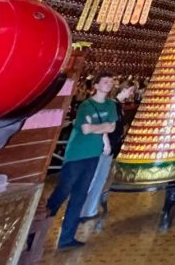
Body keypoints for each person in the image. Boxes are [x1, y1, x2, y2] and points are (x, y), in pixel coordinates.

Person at [46, 71, 118, 250]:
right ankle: (36, 232)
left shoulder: (111, 105)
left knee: (79, 196)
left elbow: (112, 126)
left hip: (93, 155)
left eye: (111, 82)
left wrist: (98, 129)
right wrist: (102, 128)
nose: (108, 84)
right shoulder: (86, 105)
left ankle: (66, 238)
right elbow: (86, 130)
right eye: (105, 82)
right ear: (96, 85)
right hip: (76, 155)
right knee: (62, 193)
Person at [80, 80, 136, 222]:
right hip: (103, 145)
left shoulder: (118, 106)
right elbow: (103, 124)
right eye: (131, 90)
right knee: (93, 177)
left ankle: (90, 210)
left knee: (101, 178)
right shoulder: (111, 105)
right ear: (125, 89)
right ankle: (79, 210)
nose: (132, 94)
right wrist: (105, 141)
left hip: (111, 146)